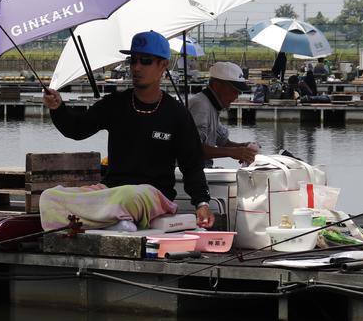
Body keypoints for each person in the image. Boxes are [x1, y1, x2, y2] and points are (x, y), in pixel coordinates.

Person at [42, 30, 214, 228]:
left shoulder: (177, 113)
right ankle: (114, 221)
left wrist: (202, 203)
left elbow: (191, 165)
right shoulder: (115, 104)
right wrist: (57, 108)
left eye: (145, 61)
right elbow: (77, 129)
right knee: (50, 197)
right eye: (133, 61)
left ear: (163, 65)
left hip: (152, 195)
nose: (137, 67)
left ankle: (104, 220)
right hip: (112, 191)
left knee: (131, 194)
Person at [187, 62, 259, 168]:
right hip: (188, 172)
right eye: (234, 91)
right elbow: (192, 148)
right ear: (217, 86)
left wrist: (243, 148)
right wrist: (232, 152)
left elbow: (223, 142)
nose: (236, 96)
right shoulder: (201, 106)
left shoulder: (212, 105)